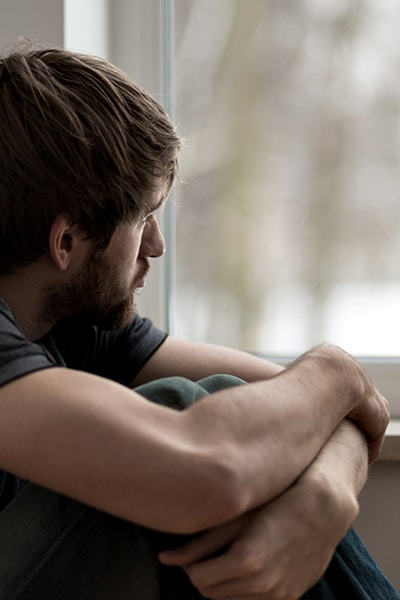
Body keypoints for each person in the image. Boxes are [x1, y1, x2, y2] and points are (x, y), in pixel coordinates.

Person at [0, 44, 397, 600]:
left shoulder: (65, 321)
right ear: (66, 241)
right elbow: (210, 467)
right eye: (144, 219)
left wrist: (322, 500)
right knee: (192, 418)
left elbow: (327, 409)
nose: (157, 246)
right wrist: (335, 367)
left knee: (233, 413)